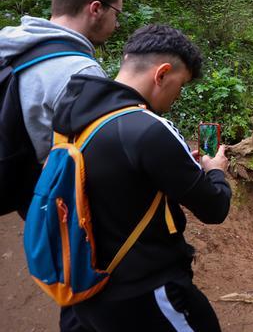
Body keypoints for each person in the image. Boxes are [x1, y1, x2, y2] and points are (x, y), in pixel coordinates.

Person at [53, 24, 231, 331]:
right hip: (143, 288)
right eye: (181, 84)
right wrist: (215, 170)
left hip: (82, 283)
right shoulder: (148, 128)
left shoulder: (73, 111)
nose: (178, 94)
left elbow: (113, 179)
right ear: (162, 74)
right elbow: (214, 208)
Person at [0, 0, 123, 331]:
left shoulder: (11, 44)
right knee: (84, 277)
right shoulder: (78, 71)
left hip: (17, 175)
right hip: (53, 194)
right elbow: (102, 157)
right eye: (117, 14)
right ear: (96, 9)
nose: (118, 24)